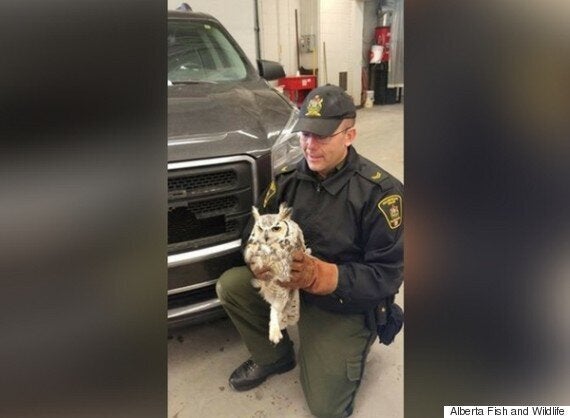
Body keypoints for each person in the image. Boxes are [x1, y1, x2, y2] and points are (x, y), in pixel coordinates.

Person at [216, 84, 403, 418]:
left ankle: (358, 338)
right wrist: (257, 257)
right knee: (231, 284)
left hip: (343, 300)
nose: (310, 146)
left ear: (349, 135)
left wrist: (321, 275)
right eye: (305, 134)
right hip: (288, 289)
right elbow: (253, 228)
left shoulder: (380, 193)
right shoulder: (287, 179)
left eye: (322, 137)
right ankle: (275, 357)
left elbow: (386, 276)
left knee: (326, 408)